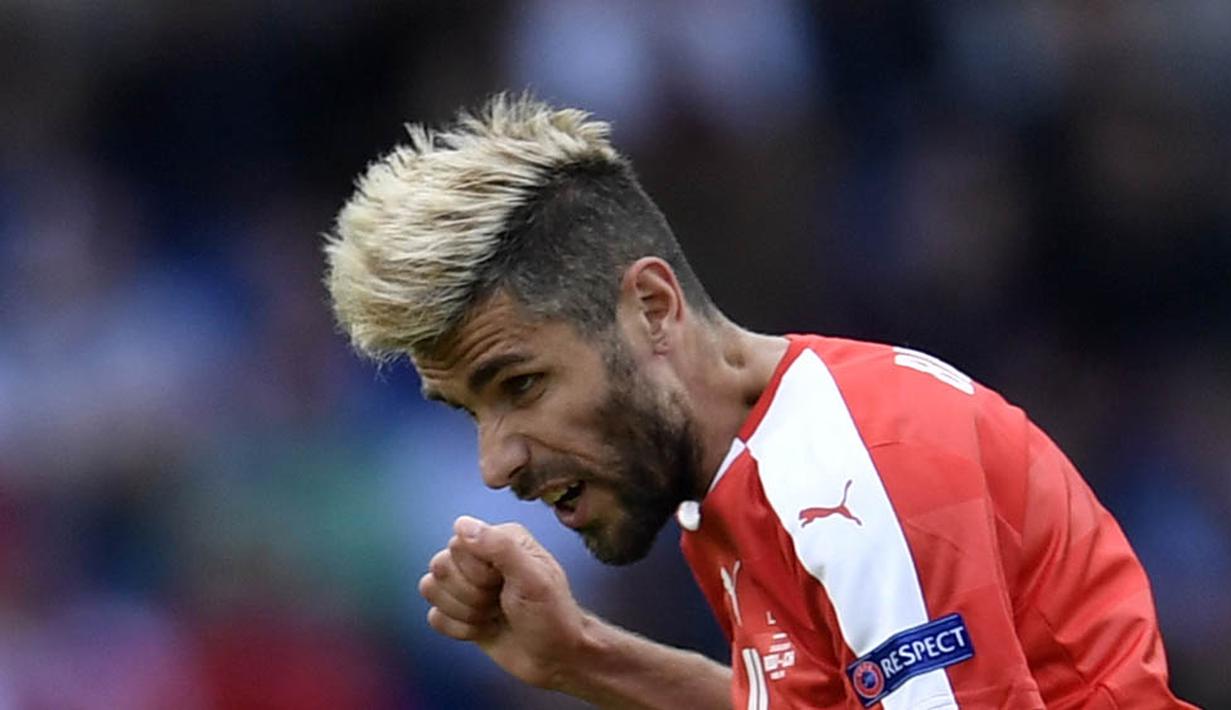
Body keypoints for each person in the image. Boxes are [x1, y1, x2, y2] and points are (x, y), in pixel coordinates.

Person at [323, 95, 1193, 709]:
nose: (495, 461)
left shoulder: (858, 472)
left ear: (652, 309)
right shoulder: (751, 473)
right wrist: (581, 658)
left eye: (520, 386)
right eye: (467, 412)